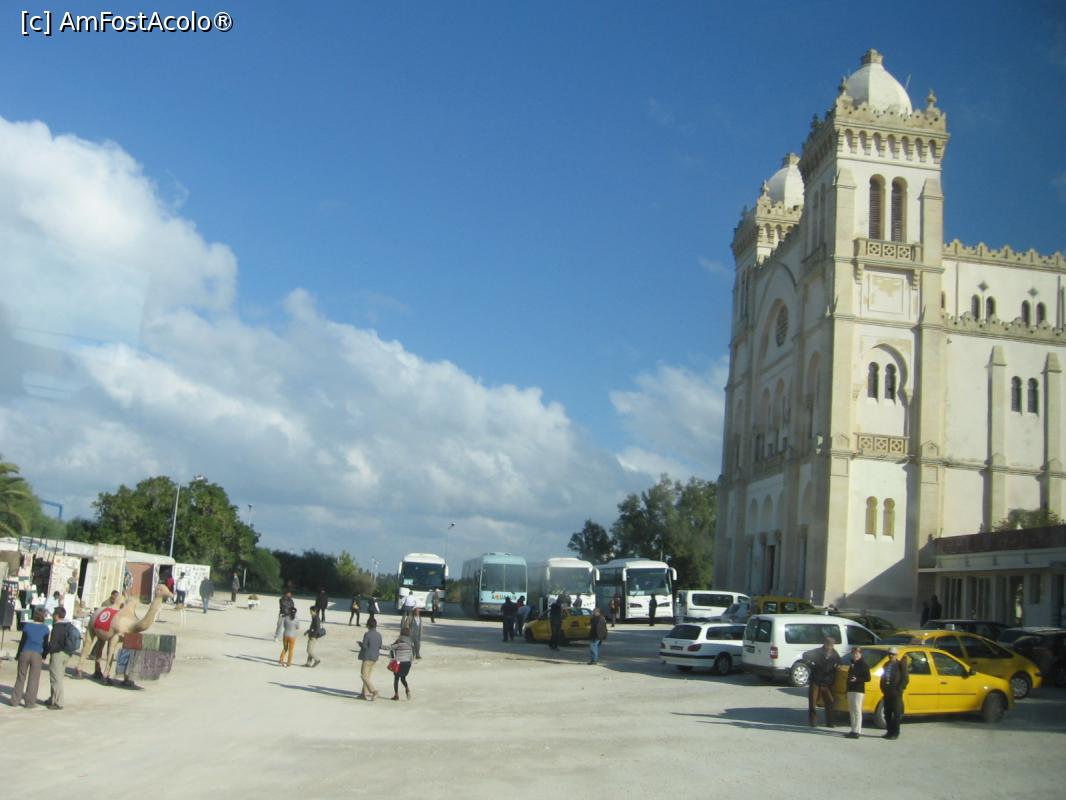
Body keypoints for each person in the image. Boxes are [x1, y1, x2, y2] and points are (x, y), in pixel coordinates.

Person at [12, 607, 50, 708]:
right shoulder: (45, 628)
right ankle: (29, 703)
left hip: (25, 652)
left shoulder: (27, 626)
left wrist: (17, 655)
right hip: (37, 654)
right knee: (34, 679)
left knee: (20, 677)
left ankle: (15, 701)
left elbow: (22, 642)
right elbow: (46, 645)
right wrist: (44, 656)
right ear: (43, 617)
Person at [805, 636, 842, 727]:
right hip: (816, 680)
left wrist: (838, 666)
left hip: (827, 682)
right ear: (825, 644)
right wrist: (810, 664)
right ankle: (813, 721)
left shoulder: (834, 654)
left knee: (830, 701)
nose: (830, 646)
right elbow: (805, 655)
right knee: (813, 702)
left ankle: (830, 722)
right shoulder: (817, 652)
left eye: (832, 645)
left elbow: (840, 662)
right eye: (828, 644)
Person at [46, 606, 76, 710]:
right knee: (59, 677)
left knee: (55, 678)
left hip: (57, 654)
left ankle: (58, 702)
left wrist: (48, 650)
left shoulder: (57, 627)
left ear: (57, 616)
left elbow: (54, 644)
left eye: (54, 614)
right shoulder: (68, 625)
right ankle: (53, 698)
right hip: (67, 654)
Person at [880, 647, 909, 740]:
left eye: (893, 654)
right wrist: (882, 688)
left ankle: (896, 732)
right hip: (887, 693)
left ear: (896, 655)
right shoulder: (886, 664)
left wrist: (899, 688)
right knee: (887, 713)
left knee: (896, 713)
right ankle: (889, 731)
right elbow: (883, 677)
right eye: (889, 654)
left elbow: (905, 678)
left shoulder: (900, 665)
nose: (891, 656)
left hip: (896, 693)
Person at [844, 647, 871, 738]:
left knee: (857, 710)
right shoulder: (852, 664)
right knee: (851, 710)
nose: (855, 655)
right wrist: (846, 690)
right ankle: (853, 730)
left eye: (857, 653)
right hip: (850, 689)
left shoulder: (864, 664)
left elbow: (868, 678)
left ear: (860, 654)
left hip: (859, 690)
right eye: (854, 653)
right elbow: (848, 678)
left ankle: (857, 731)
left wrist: (857, 679)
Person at [358, 617, 383, 700]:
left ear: (368, 625)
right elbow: (380, 646)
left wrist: (360, 644)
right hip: (375, 657)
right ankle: (363, 694)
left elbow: (364, 646)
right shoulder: (379, 635)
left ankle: (374, 691)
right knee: (367, 676)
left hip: (367, 657)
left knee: (363, 676)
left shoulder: (367, 634)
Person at [389, 626, 415, 700]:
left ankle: (396, 695)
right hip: (407, 663)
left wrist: (379, 646)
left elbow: (390, 647)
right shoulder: (411, 643)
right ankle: (407, 689)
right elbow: (413, 654)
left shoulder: (399, 642)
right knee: (403, 678)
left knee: (396, 678)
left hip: (399, 663)